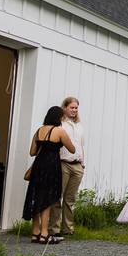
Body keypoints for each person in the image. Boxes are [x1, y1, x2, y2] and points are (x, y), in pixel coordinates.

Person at [23, 106, 76, 244]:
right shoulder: (59, 131)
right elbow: (72, 149)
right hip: (51, 166)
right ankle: (45, 234)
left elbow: (32, 152)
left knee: (36, 196)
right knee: (47, 199)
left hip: (38, 165)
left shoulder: (39, 131)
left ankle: (35, 232)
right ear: (58, 118)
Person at [49, 96, 85, 238]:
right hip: (63, 163)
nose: (74, 110)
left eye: (76, 108)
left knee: (70, 199)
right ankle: (54, 228)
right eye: (72, 107)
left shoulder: (79, 126)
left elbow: (81, 146)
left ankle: (68, 228)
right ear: (65, 108)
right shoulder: (60, 124)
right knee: (58, 197)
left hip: (77, 165)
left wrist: (82, 163)